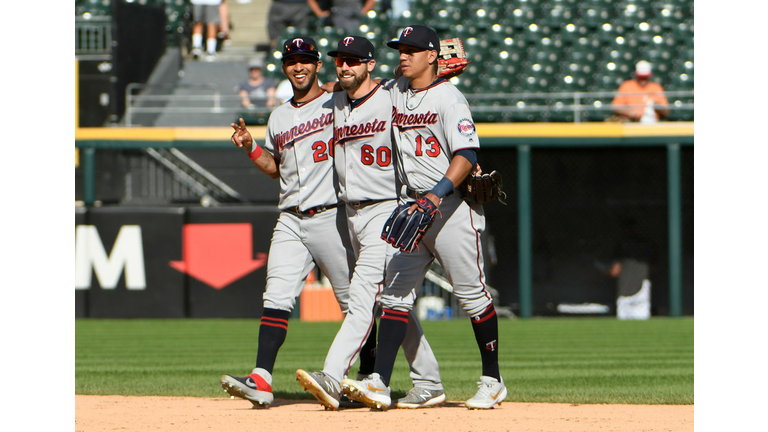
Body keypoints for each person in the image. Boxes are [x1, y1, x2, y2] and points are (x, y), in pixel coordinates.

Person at [339, 25, 507, 410]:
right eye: (401, 49)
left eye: (412, 49)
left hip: (449, 208)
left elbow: (467, 156)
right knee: (395, 296)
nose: (403, 54)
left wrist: (436, 195)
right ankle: (379, 381)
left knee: (471, 296)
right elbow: (375, 81)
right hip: (413, 208)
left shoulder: (450, 100)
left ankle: (493, 379)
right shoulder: (397, 90)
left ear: (432, 56)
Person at [220, 36, 374, 409]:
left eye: (305, 60)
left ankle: (369, 380)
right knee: (276, 296)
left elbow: (364, 87)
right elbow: (276, 169)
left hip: (332, 215)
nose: (298, 66)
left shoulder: (338, 99)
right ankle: (261, 378)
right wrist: (251, 147)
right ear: (285, 67)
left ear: (318, 64)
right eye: (292, 61)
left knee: (353, 303)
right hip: (290, 218)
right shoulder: (278, 116)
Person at [295, 35, 445, 411]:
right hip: (351, 214)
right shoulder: (336, 101)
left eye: (354, 60)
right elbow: (326, 87)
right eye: (340, 60)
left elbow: (420, 90)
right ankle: (429, 381)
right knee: (391, 302)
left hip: (385, 210)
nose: (345, 66)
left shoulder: (391, 95)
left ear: (371, 64)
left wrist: (435, 64)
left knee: (363, 298)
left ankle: (333, 374)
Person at [306, 0, 377, 35]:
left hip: (356, 18)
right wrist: (319, 13)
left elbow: (372, 1)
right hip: (337, 18)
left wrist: (363, 11)